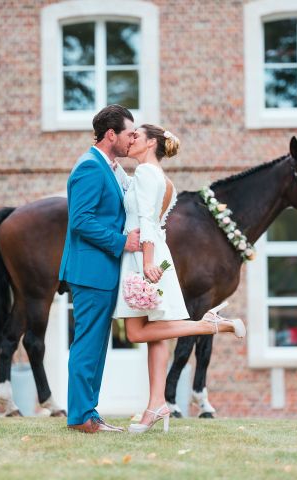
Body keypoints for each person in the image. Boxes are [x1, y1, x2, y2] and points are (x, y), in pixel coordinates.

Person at [111, 124, 246, 434]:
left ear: (150, 144)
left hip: (143, 256)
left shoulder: (146, 174)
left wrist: (145, 262)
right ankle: (157, 404)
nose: (131, 140)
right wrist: (116, 167)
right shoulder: (161, 178)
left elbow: (145, 217)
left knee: (135, 332)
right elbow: (142, 206)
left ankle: (211, 325)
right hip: (156, 251)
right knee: (155, 332)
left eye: (136, 137)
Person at [59, 105, 141, 433]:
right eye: (129, 133)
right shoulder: (89, 168)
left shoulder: (109, 166)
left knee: (96, 346)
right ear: (111, 135)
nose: (133, 138)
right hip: (91, 272)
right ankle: (80, 417)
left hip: (102, 272)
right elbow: (81, 221)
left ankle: (89, 412)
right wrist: (123, 243)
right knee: (87, 345)